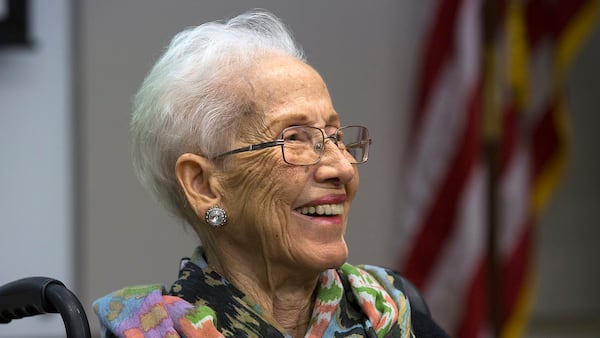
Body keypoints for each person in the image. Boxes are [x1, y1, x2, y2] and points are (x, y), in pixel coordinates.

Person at [93, 9, 448, 338]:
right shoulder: (152, 331)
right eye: (294, 138)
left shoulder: (394, 314)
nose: (341, 167)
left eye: (336, 137)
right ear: (204, 185)